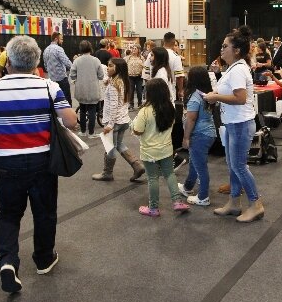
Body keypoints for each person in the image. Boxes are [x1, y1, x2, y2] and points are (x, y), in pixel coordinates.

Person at [0, 35, 77, 294]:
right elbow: (71, 121)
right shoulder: (48, 87)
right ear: (36, 61)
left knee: (7, 214)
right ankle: (43, 259)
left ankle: (8, 262)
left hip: (7, 163)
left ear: (7, 60)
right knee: (44, 212)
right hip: (42, 161)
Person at [204, 26, 263, 222]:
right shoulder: (233, 68)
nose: (221, 49)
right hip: (233, 123)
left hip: (239, 123)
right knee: (233, 165)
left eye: (224, 46)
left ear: (236, 50)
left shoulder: (238, 69)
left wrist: (215, 97)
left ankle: (256, 204)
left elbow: (240, 98)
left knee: (238, 166)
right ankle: (234, 202)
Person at [131, 78, 190, 217]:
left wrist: (132, 125)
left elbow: (138, 130)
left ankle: (153, 208)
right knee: (169, 174)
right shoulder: (171, 108)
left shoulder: (145, 111)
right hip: (166, 149)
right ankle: (177, 201)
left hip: (149, 151)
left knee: (153, 178)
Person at [91, 58, 145, 182]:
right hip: (124, 120)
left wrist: (110, 124)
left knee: (110, 147)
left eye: (110, 66)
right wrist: (107, 81)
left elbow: (113, 105)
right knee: (119, 144)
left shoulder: (114, 84)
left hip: (114, 122)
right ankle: (137, 165)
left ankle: (107, 173)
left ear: (118, 69)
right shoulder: (122, 81)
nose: (107, 68)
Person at [177, 66, 217, 206]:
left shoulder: (195, 97)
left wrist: (186, 137)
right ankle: (188, 187)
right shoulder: (205, 94)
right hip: (208, 133)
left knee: (200, 166)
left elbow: (191, 119)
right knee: (194, 162)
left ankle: (203, 197)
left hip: (200, 135)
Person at [70, 40, 103, 139]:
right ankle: (91, 133)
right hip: (93, 89)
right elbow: (101, 76)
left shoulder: (77, 60)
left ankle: (83, 131)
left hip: (81, 89)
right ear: (90, 48)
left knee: (83, 110)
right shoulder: (96, 60)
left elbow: (72, 75)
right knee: (92, 111)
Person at [43, 32, 73, 105]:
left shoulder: (46, 50)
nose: (62, 41)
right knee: (66, 100)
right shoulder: (58, 49)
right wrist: (74, 68)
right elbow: (67, 62)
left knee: (55, 101)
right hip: (61, 79)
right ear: (56, 39)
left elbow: (45, 66)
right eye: (61, 39)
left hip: (51, 80)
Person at [161, 32, 186, 101]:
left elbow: (146, 73)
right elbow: (179, 76)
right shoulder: (175, 56)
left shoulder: (152, 54)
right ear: (173, 41)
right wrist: (180, 90)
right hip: (168, 88)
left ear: (164, 40)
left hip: (153, 89)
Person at [126, 45, 144, 109]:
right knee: (131, 91)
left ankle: (140, 103)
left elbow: (144, 67)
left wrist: (142, 72)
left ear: (138, 50)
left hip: (139, 77)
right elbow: (125, 66)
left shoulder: (141, 58)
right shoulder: (128, 58)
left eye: (135, 48)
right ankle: (131, 104)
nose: (133, 50)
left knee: (139, 91)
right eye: (133, 48)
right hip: (130, 77)